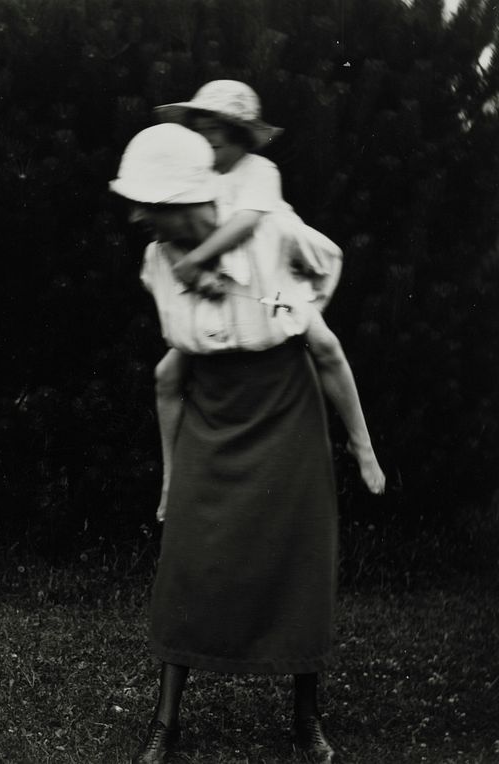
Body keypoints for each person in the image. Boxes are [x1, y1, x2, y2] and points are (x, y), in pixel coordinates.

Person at [110, 123, 345, 763]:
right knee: (188, 559)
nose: (140, 218)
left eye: (151, 206)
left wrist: (278, 306)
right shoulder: (157, 261)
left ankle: (306, 720)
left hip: (284, 406)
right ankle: (165, 723)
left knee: (297, 560)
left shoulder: (270, 231)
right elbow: (175, 354)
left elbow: (323, 269)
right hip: (212, 411)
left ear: (188, 200)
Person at [148, 80, 384, 519]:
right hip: (219, 289)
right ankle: (170, 477)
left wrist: (196, 261)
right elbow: (168, 231)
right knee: (165, 376)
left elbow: (245, 226)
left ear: (238, 136)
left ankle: (361, 443)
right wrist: (192, 270)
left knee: (327, 347)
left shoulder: (259, 172)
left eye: (214, 135)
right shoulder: (199, 175)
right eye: (198, 134)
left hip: (272, 274)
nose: (205, 143)